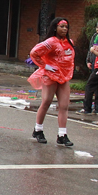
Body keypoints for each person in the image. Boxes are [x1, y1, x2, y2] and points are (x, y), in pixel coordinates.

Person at [29, 17, 76, 146]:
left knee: (64, 105)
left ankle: (62, 134)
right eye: (62, 26)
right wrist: (46, 66)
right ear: (55, 27)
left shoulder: (69, 42)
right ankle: (38, 130)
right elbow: (34, 53)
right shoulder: (50, 42)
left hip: (64, 77)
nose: (65, 29)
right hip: (50, 76)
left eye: (66, 27)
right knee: (46, 102)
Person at [81, 19, 98, 114]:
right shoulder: (95, 37)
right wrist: (89, 59)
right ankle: (97, 108)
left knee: (92, 86)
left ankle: (89, 108)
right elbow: (91, 48)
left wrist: (94, 51)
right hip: (96, 64)